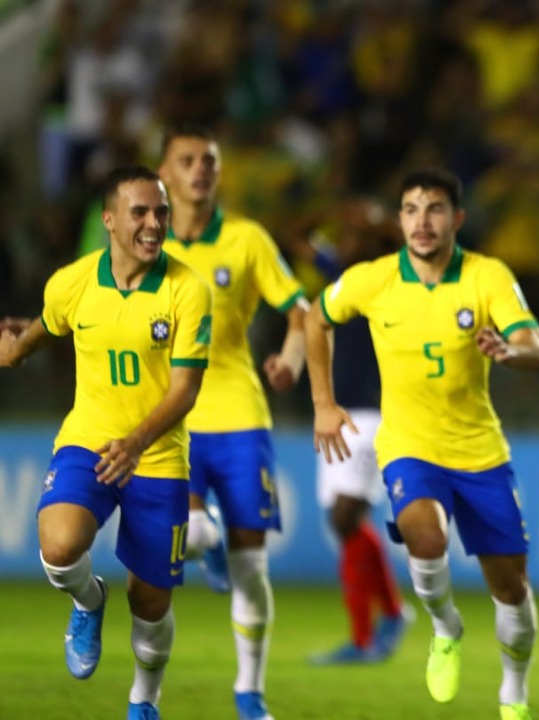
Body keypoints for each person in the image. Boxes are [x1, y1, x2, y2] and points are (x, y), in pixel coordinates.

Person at [306, 167, 539, 720]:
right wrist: (323, 403)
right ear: (399, 221)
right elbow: (315, 320)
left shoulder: (486, 276)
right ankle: (445, 627)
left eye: (435, 209)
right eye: (412, 209)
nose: (423, 220)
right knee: (422, 529)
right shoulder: (372, 279)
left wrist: (512, 352)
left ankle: (514, 690)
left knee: (512, 588)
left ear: (456, 219)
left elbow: (536, 345)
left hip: (481, 452)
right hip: (408, 446)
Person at [0, 165, 211, 720]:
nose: (153, 223)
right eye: (140, 212)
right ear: (110, 220)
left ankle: (144, 699)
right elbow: (54, 320)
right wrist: (19, 348)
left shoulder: (187, 290)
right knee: (60, 547)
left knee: (150, 602)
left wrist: (138, 441)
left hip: (158, 455)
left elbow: (186, 390)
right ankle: (89, 600)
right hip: (88, 441)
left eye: (160, 212)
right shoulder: (72, 281)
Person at [157, 124, 307, 720]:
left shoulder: (246, 239)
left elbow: (301, 312)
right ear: (164, 172)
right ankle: (207, 535)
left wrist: (291, 362)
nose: (200, 170)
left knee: (251, 566)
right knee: (189, 538)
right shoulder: (148, 243)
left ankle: (249, 694)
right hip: (173, 418)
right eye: (187, 160)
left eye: (209, 161)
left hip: (241, 413)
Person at [300, 199, 412, 664]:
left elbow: (417, 246)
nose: (343, 241)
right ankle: (390, 613)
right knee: (346, 522)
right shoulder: (343, 278)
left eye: (353, 236)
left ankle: (366, 636)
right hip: (341, 411)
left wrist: (377, 223)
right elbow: (297, 238)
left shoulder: (395, 276)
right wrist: (340, 209)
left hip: (376, 411)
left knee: (345, 519)